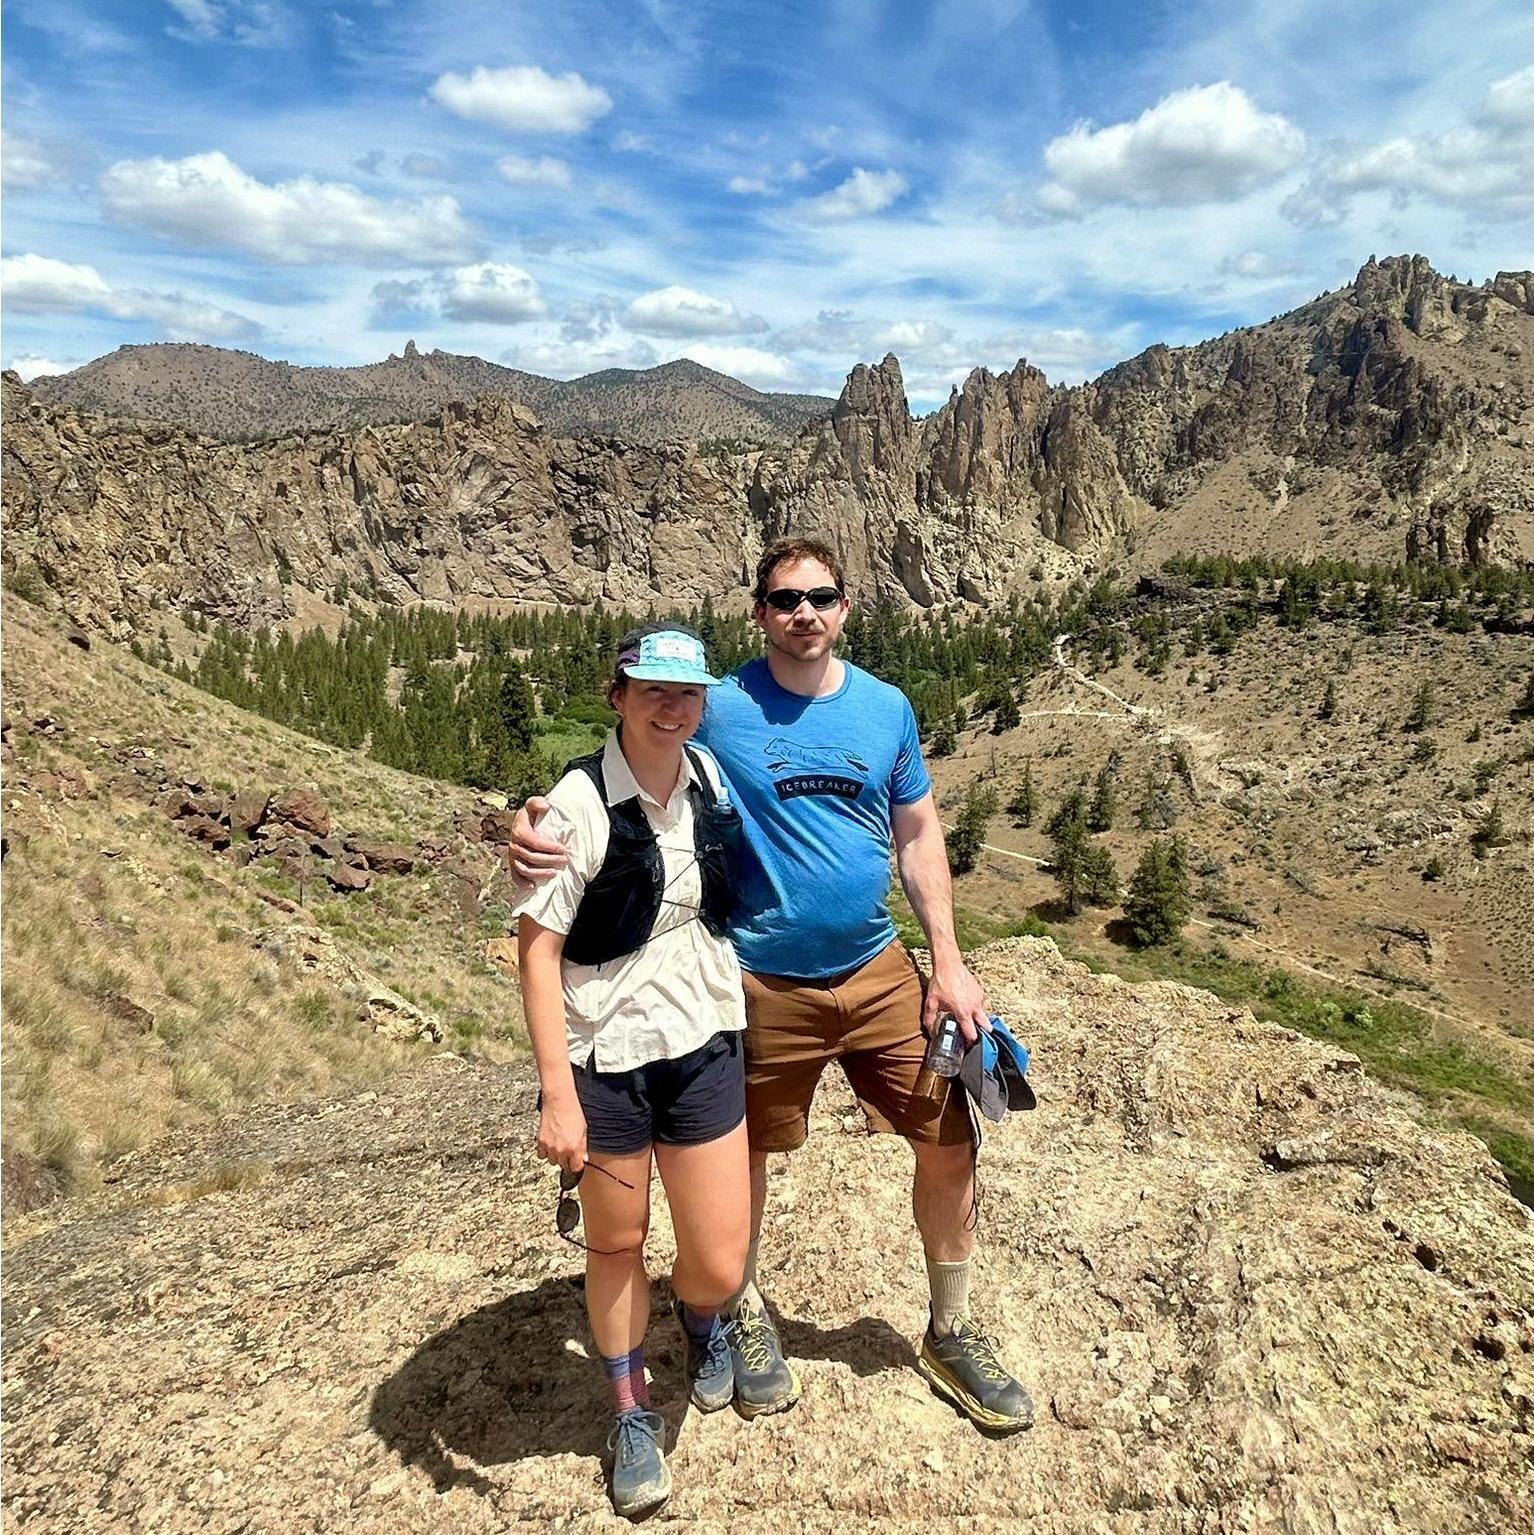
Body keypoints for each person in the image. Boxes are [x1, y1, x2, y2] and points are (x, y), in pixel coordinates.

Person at [514, 536, 1034, 1434]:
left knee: (950, 1134)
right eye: (785, 599)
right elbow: (627, 764)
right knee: (741, 1156)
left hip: (876, 967)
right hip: (757, 978)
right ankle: (738, 1309)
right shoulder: (719, 708)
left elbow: (918, 832)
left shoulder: (885, 709)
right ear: (759, 613)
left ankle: (951, 1326)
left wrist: (947, 960)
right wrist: (527, 822)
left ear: (845, 607)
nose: (805, 613)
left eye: (821, 596)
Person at [515, 624, 751, 1518]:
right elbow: (536, 952)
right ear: (617, 694)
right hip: (606, 1059)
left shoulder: (708, 776)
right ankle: (628, 1409)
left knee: (720, 1260)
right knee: (617, 1242)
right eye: (651, 687)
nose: (670, 704)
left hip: (701, 1039)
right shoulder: (575, 806)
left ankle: (702, 1322)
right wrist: (556, 1092)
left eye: (685, 691)